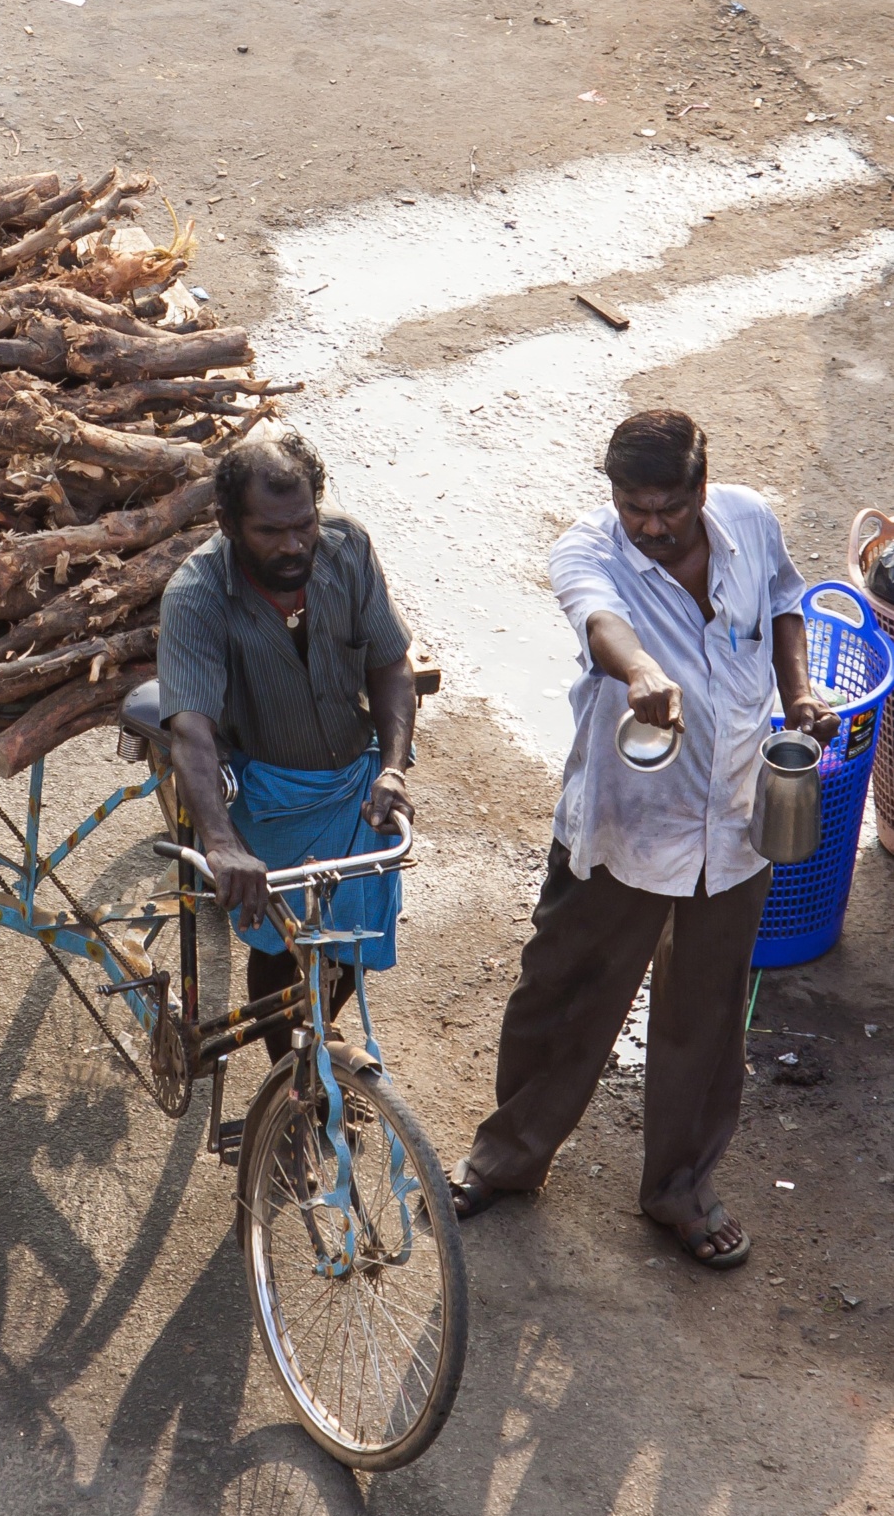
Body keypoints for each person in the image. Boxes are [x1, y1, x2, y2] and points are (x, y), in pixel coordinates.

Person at [451, 409, 836, 1268]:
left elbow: (782, 603)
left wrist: (798, 692)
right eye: (635, 506)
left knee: (706, 1015)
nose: (652, 526)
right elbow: (599, 622)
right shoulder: (588, 551)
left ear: (702, 488)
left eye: (667, 506)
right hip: (625, 820)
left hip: (735, 819)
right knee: (563, 991)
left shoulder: (747, 518)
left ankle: (679, 1190)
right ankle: (507, 1159)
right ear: (614, 496)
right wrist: (642, 671)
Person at [156, 428, 417, 1057]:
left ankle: (313, 1045)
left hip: (355, 784)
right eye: (271, 532)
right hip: (268, 791)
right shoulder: (197, 597)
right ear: (227, 522)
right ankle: (290, 1081)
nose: (294, 544)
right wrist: (221, 844)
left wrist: (392, 769)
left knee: (353, 931)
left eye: (303, 524)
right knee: (281, 945)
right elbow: (190, 732)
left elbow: (391, 665)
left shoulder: (347, 547)